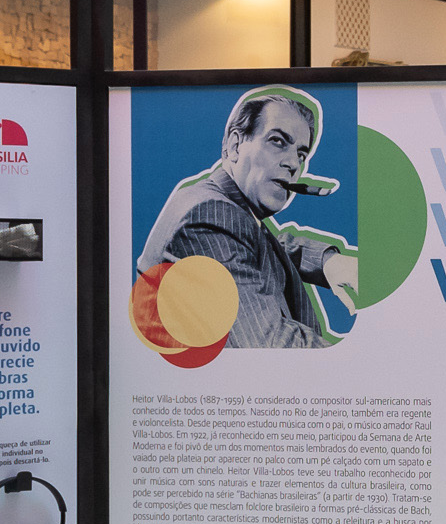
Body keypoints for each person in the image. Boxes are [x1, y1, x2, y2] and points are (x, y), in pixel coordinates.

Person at [138, 85, 360, 348]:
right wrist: (356, 357)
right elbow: (273, 344)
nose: (293, 164)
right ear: (235, 145)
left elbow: (262, 245)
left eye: (301, 154)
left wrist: (328, 262)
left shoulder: (222, 205)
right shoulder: (209, 218)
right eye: (278, 141)